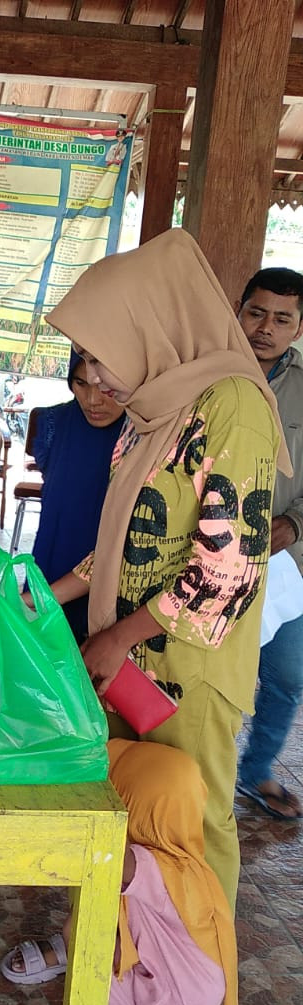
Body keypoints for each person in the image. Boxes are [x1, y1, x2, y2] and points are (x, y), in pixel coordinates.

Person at [40, 227, 287, 911]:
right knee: (130, 816)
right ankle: (124, 959)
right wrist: (45, 594)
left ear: (148, 328)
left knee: (192, 824)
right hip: (129, 665)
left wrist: (115, 637)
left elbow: (226, 571)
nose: (95, 379)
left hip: (190, 677)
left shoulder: (231, 407)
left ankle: (189, 981)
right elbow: (124, 542)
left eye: (102, 356)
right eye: (84, 363)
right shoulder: (151, 409)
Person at [1, 740, 239, 1005]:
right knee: (97, 931)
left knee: (81, 939)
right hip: (187, 986)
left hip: (174, 999)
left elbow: (97, 850)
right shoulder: (184, 861)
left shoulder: (152, 868)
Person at [235, 267, 303, 820]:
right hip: (210, 555)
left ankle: (255, 770)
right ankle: (190, 771)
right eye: (256, 312)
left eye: (282, 318)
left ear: (298, 326)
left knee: (286, 675)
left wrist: (295, 525)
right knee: (203, 674)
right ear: (239, 312)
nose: (266, 328)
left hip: (288, 565)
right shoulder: (212, 375)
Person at [28, 349, 125, 643]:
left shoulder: (145, 436)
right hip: (50, 570)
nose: (93, 400)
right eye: (81, 384)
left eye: (105, 386)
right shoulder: (53, 424)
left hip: (112, 590)